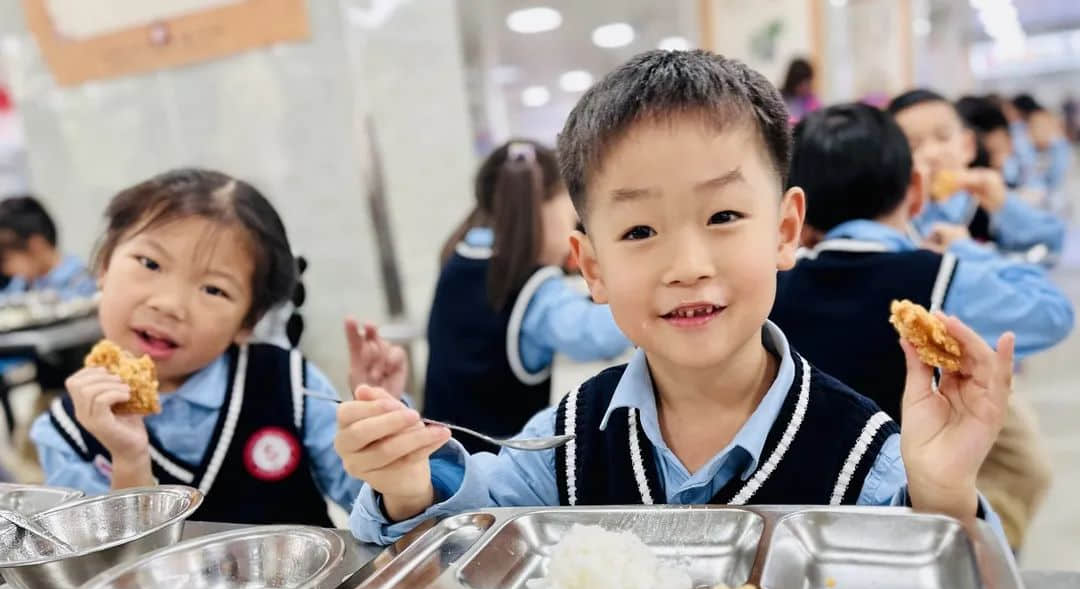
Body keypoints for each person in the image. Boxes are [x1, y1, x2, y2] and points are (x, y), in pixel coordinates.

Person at [338, 50, 1012, 546]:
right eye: (639, 230)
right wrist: (406, 484)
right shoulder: (567, 441)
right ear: (592, 267)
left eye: (723, 217)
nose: (688, 266)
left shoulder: (866, 455)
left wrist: (946, 493)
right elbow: (464, 533)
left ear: (784, 231)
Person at [772, 103, 1070, 549]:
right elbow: (1052, 313)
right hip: (911, 503)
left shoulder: (775, 287)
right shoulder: (941, 277)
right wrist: (968, 249)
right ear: (914, 188)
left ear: (798, 210)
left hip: (801, 515)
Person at [30, 168, 366, 526]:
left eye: (213, 289)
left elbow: (371, 509)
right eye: (151, 263)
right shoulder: (65, 433)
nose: (169, 304)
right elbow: (106, 568)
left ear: (247, 322)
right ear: (104, 265)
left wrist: (383, 438)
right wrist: (129, 461)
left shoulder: (292, 385)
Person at [425, 140, 630, 452]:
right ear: (541, 209)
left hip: (440, 457)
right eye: (570, 216)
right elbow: (596, 336)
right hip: (497, 475)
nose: (574, 230)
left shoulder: (459, 258)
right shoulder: (534, 288)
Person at [888, 89, 1065, 255]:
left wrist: (1003, 204)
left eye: (943, 137)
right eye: (913, 145)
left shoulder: (987, 205)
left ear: (968, 146)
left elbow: (1052, 240)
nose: (932, 154)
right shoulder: (893, 219)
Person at [0, 196, 95, 300]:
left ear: (36, 245)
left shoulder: (82, 282)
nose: (5, 270)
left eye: (5, 260)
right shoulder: (22, 283)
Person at [779, 57, 820, 124]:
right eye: (803, 83)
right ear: (794, 81)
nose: (807, 87)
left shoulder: (812, 100)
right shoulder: (780, 99)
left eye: (808, 82)